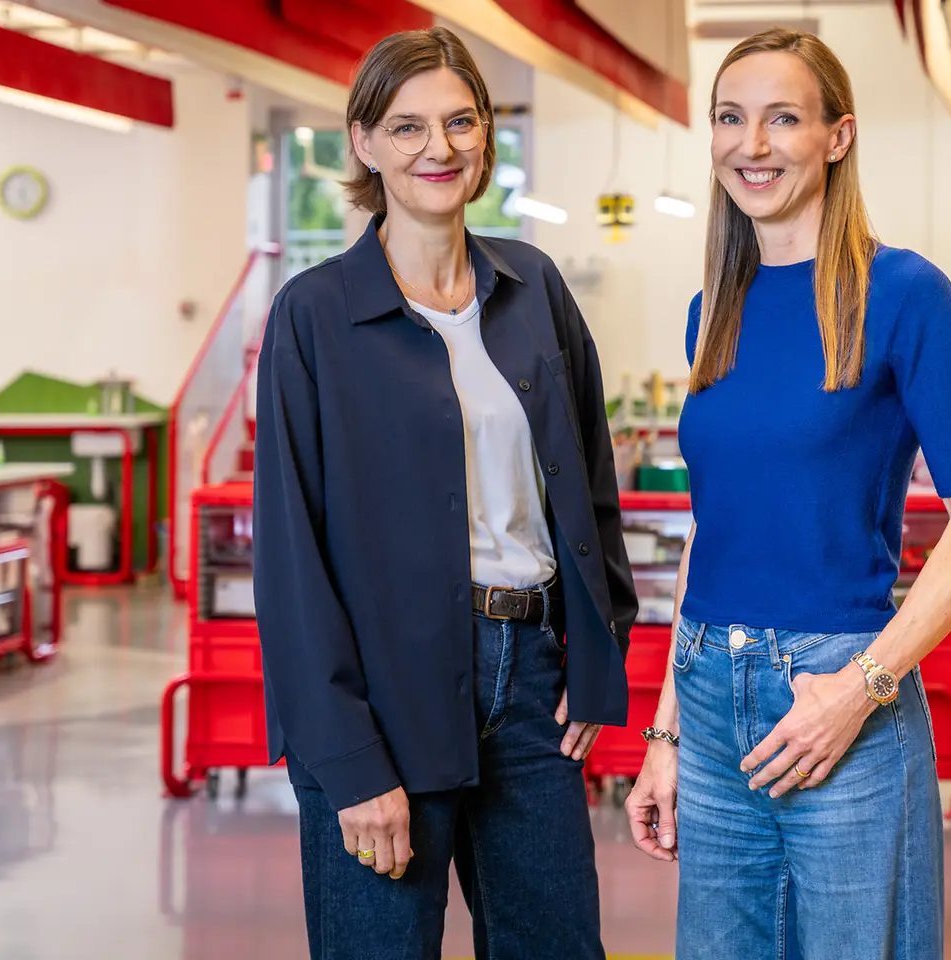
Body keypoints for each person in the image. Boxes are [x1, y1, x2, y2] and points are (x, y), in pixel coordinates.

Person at [624, 27, 951, 960]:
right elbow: (712, 534)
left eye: (782, 119)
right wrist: (667, 735)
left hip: (838, 684)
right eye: (730, 118)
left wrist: (859, 691)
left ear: (837, 137)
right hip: (712, 695)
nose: (750, 145)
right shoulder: (710, 309)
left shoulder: (905, 294)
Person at [252, 27, 637, 960]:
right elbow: (291, 560)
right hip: (383, 695)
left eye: (461, 122)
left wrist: (597, 649)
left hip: (531, 685)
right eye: (409, 126)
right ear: (364, 142)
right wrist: (347, 761)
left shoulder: (532, 285)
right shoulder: (315, 316)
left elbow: (588, 486)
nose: (440, 148)